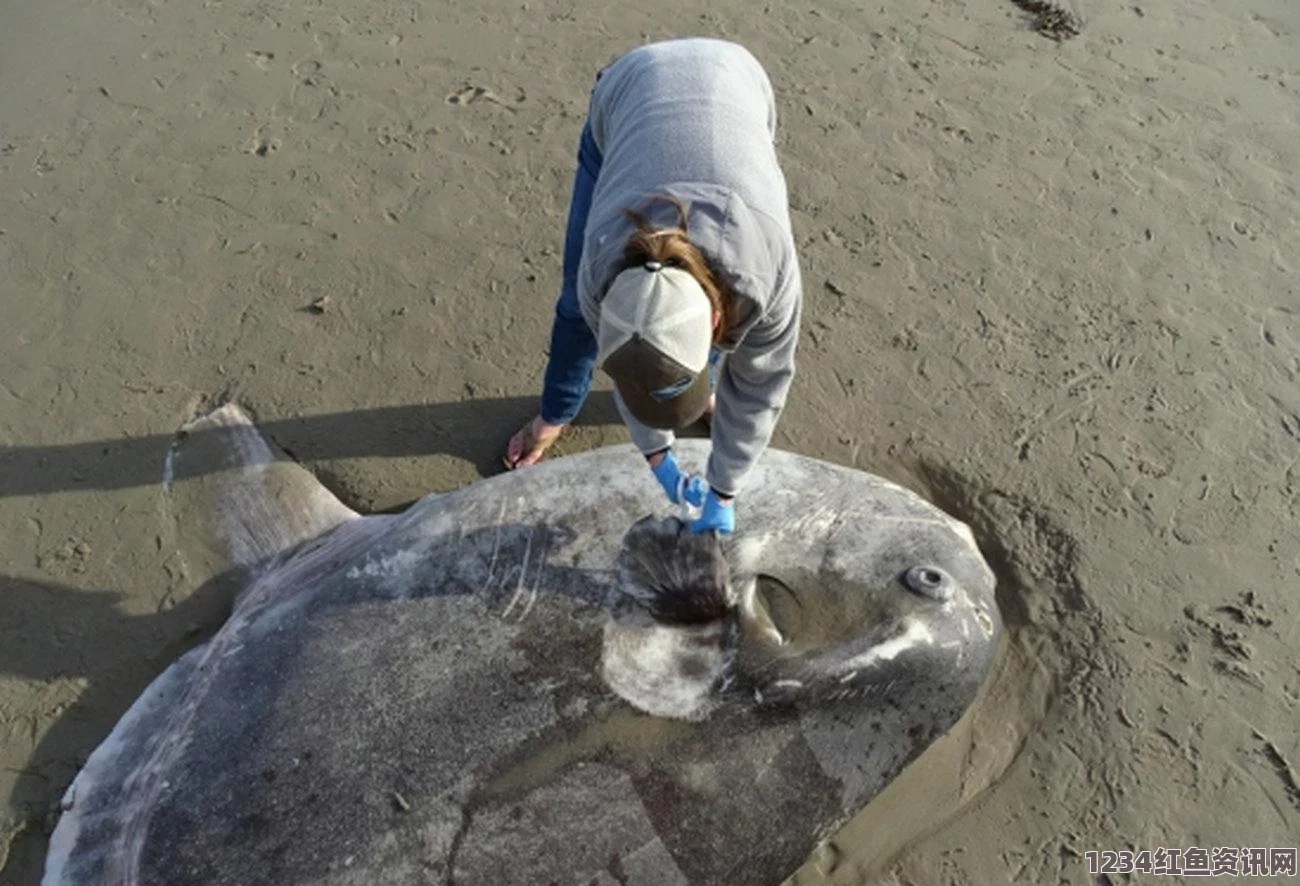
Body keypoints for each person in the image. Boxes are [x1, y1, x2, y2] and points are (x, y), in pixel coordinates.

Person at [503, 38, 803, 535]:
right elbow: (632, 362)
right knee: (573, 315)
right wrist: (658, 457)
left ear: (714, 319)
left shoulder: (766, 277)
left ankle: (687, 380)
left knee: (677, 335)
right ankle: (555, 414)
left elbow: (760, 388)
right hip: (628, 92)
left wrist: (725, 489)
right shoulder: (600, 268)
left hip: (738, 81)